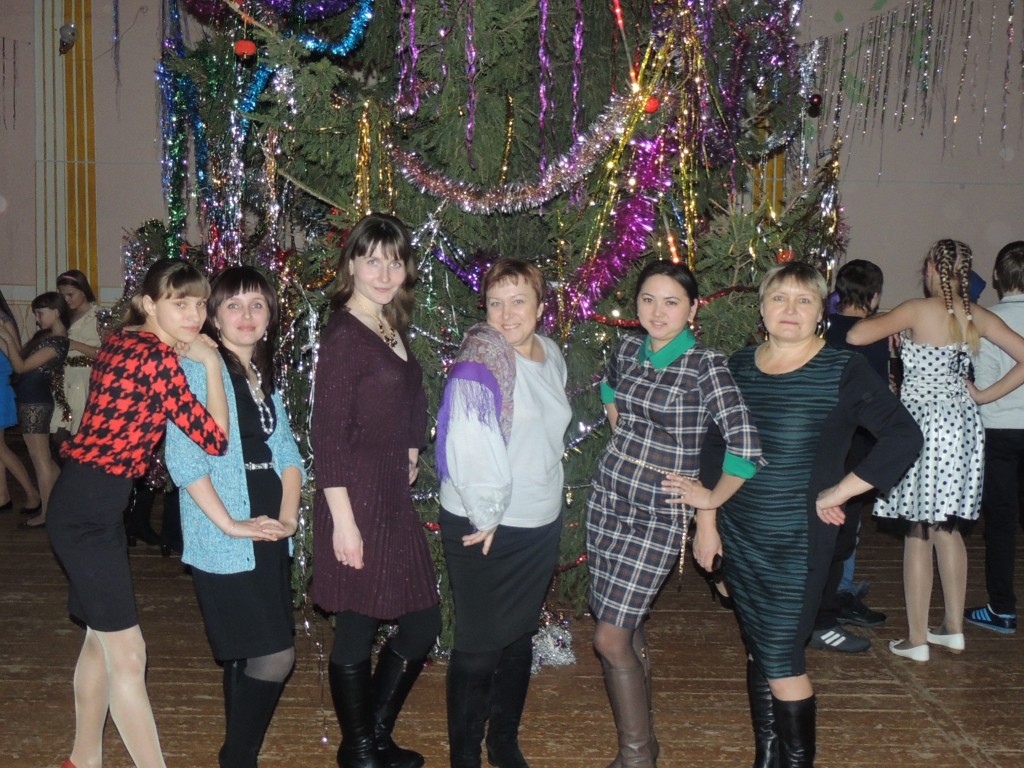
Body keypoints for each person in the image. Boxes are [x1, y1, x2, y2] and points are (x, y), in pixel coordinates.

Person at [675, 262, 922, 766]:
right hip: (739, 533)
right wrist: (707, 523)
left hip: (798, 541)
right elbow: (714, 447)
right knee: (758, 645)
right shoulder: (736, 367)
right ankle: (766, 757)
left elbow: (904, 436)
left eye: (804, 300)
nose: (790, 309)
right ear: (762, 308)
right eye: (779, 298)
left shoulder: (842, 369)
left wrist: (841, 492)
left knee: (783, 659)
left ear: (820, 313)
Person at [45, 258, 229, 768]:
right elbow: (215, 438)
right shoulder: (155, 357)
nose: (194, 315)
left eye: (200, 304)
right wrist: (211, 363)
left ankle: (83, 759)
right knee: (129, 654)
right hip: (88, 512)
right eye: (179, 303)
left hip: (86, 502)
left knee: (99, 641)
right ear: (149, 304)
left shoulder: (122, 340)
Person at [586, 260, 764, 768]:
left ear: (692, 308)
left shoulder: (706, 365)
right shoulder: (627, 349)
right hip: (607, 501)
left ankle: (636, 757)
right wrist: (625, 438)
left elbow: (746, 446)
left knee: (609, 637)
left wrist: (709, 499)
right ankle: (645, 742)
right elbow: (609, 390)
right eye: (648, 299)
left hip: (657, 514)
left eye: (671, 302)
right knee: (626, 626)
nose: (657, 311)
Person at [849, 239, 1024, 660]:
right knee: (947, 528)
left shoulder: (914, 309)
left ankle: (917, 639)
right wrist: (982, 395)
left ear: (930, 267)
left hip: (920, 425)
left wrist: (894, 329)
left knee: (918, 531)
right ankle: (953, 629)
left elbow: (855, 334)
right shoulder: (977, 314)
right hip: (962, 425)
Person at [312, 213, 440, 768]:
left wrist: (411, 446)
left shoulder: (388, 323)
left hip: (389, 494)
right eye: (372, 261)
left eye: (394, 262)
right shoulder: (345, 335)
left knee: (423, 620)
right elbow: (327, 435)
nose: (384, 274)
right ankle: (362, 750)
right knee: (357, 625)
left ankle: (372, 737)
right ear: (352, 266)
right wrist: (343, 523)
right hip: (354, 498)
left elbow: (411, 393)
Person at [166, 266, 304, 767]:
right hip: (224, 535)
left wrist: (288, 519)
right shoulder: (198, 370)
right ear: (215, 317)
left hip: (267, 530)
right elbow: (184, 460)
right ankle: (237, 757)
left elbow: (287, 453)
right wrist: (229, 525)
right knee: (276, 655)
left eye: (257, 304)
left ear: (270, 317)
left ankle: (238, 755)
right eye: (234, 305)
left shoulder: (260, 375)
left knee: (245, 652)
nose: (247, 315)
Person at [436, 259, 572, 768]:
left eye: (518, 301)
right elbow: (469, 445)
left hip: (539, 521)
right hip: (485, 523)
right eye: (496, 303)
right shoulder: (480, 359)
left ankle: (504, 742)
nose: (506, 314)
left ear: (540, 306)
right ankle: (465, 756)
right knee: (478, 647)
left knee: (518, 637)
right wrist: (487, 514)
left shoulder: (550, 353)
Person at [810, 260, 889, 654]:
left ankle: (824, 609)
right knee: (841, 534)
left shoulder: (822, 330)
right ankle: (824, 616)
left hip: (823, 442)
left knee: (828, 529)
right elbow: (879, 395)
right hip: (855, 445)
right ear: (873, 296)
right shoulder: (874, 333)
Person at [965, 241, 1024, 634]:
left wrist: (983, 395)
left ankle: (1002, 609)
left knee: (1001, 524)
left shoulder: (985, 319)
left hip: (998, 428)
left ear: (998, 276)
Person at [0, 292, 70, 529]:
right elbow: (17, 359)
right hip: (31, 401)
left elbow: (20, 366)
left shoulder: (58, 341)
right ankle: (58, 505)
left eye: (40, 313)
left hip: (36, 404)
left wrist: (7, 337)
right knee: (44, 460)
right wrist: (4, 339)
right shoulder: (48, 338)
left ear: (56, 312)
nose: (37, 319)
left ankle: (47, 514)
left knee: (40, 461)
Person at [0, 290, 43, 514]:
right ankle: (3, 495)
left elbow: (16, 357)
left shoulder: (4, 321)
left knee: (0, 447)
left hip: (0, 385)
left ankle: (32, 494)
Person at [52, 269, 102, 443]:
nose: (66, 299)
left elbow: (105, 354)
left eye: (70, 294)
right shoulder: (64, 316)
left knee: (78, 429)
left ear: (83, 291)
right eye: (62, 295)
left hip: (84, 379)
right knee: (58, 432)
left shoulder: (97, 316)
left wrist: (75, 345)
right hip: (63, 378)